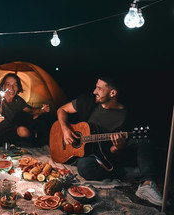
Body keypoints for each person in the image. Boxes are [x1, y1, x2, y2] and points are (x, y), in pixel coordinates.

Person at [56, 75, 163, 206]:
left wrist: (117, 148)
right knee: (84, 167)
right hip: (88, 152)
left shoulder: (127, 116)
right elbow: (61, 109)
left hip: (106, 153)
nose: (94, 91)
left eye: (99, 89)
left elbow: (111, 151)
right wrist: (65, 129)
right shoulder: (87, 101)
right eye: (96, 87)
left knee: (143, 140)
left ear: (112, 93)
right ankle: (126, 172)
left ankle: (146, 184)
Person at [0, 73, 50, 147]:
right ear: (3, 86)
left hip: (12, 131)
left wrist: (42, 110)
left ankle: (39, 142)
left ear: (18, 86)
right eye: (8, 84)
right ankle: (37, 142)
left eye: (15, 85)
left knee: (35, 120)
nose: (12, 88)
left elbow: (30, 111)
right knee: (22, 130)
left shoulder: (18, 100)